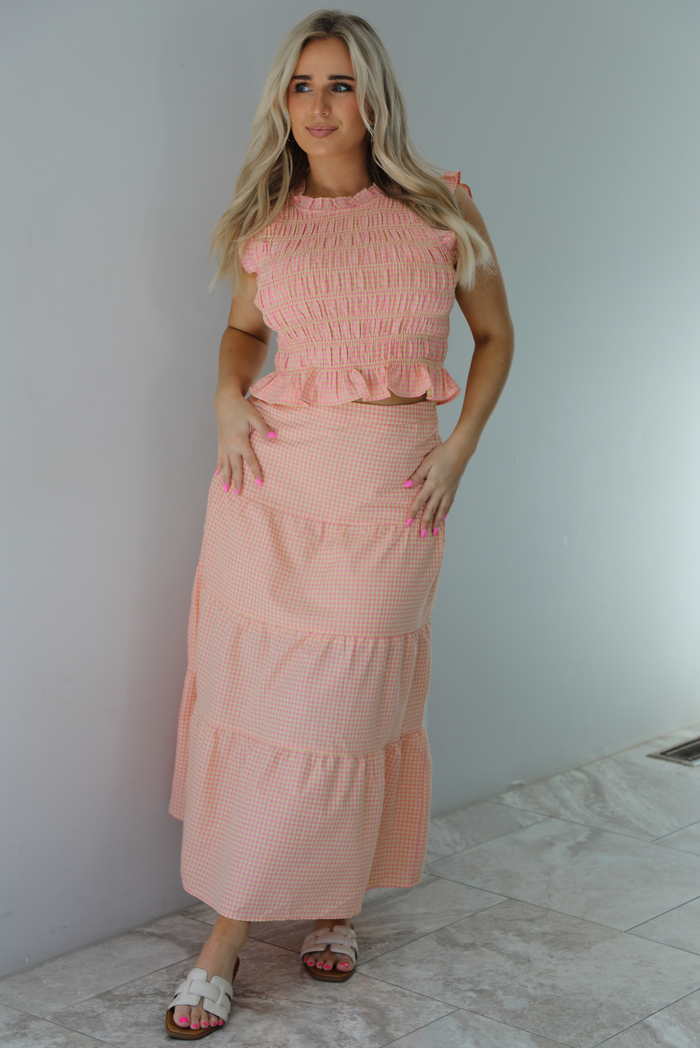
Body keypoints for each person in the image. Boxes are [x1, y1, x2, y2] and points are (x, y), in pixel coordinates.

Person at [165, 8, 513, 1038]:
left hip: (390, 486)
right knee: (268, 703)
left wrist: (457, 450)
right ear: (283, 99)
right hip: (270, 486)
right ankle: (248, 928)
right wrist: (226, 401)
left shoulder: (444, 206)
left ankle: (300, 910)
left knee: (348, 706)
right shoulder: (265, 220)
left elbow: (494, 337)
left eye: (340, 84)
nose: (318, 105)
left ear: (374, 98)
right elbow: (242, 334)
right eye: (302, 84)